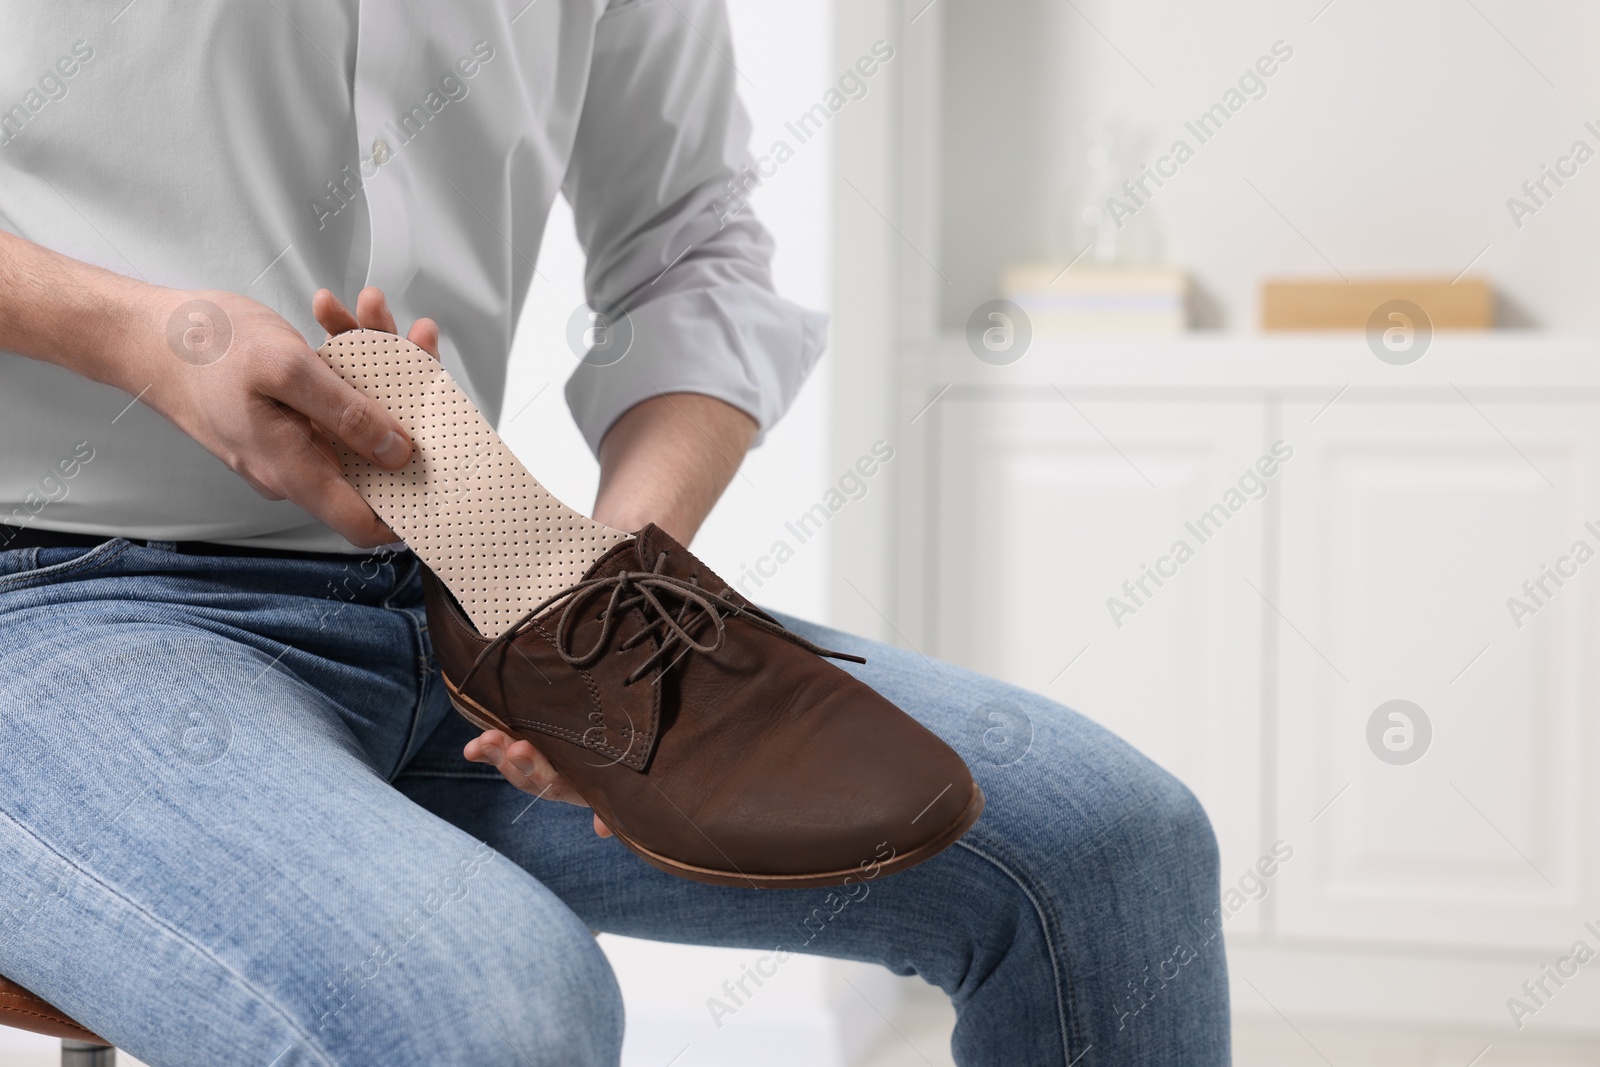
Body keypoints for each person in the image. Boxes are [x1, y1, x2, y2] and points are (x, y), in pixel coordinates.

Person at [0, 3, 1228, 1064]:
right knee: (497, 1008)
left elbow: (693, 255)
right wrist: (134, 334)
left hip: (481, 594)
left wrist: (597, 588)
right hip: (51, 599)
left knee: (1113, 846)